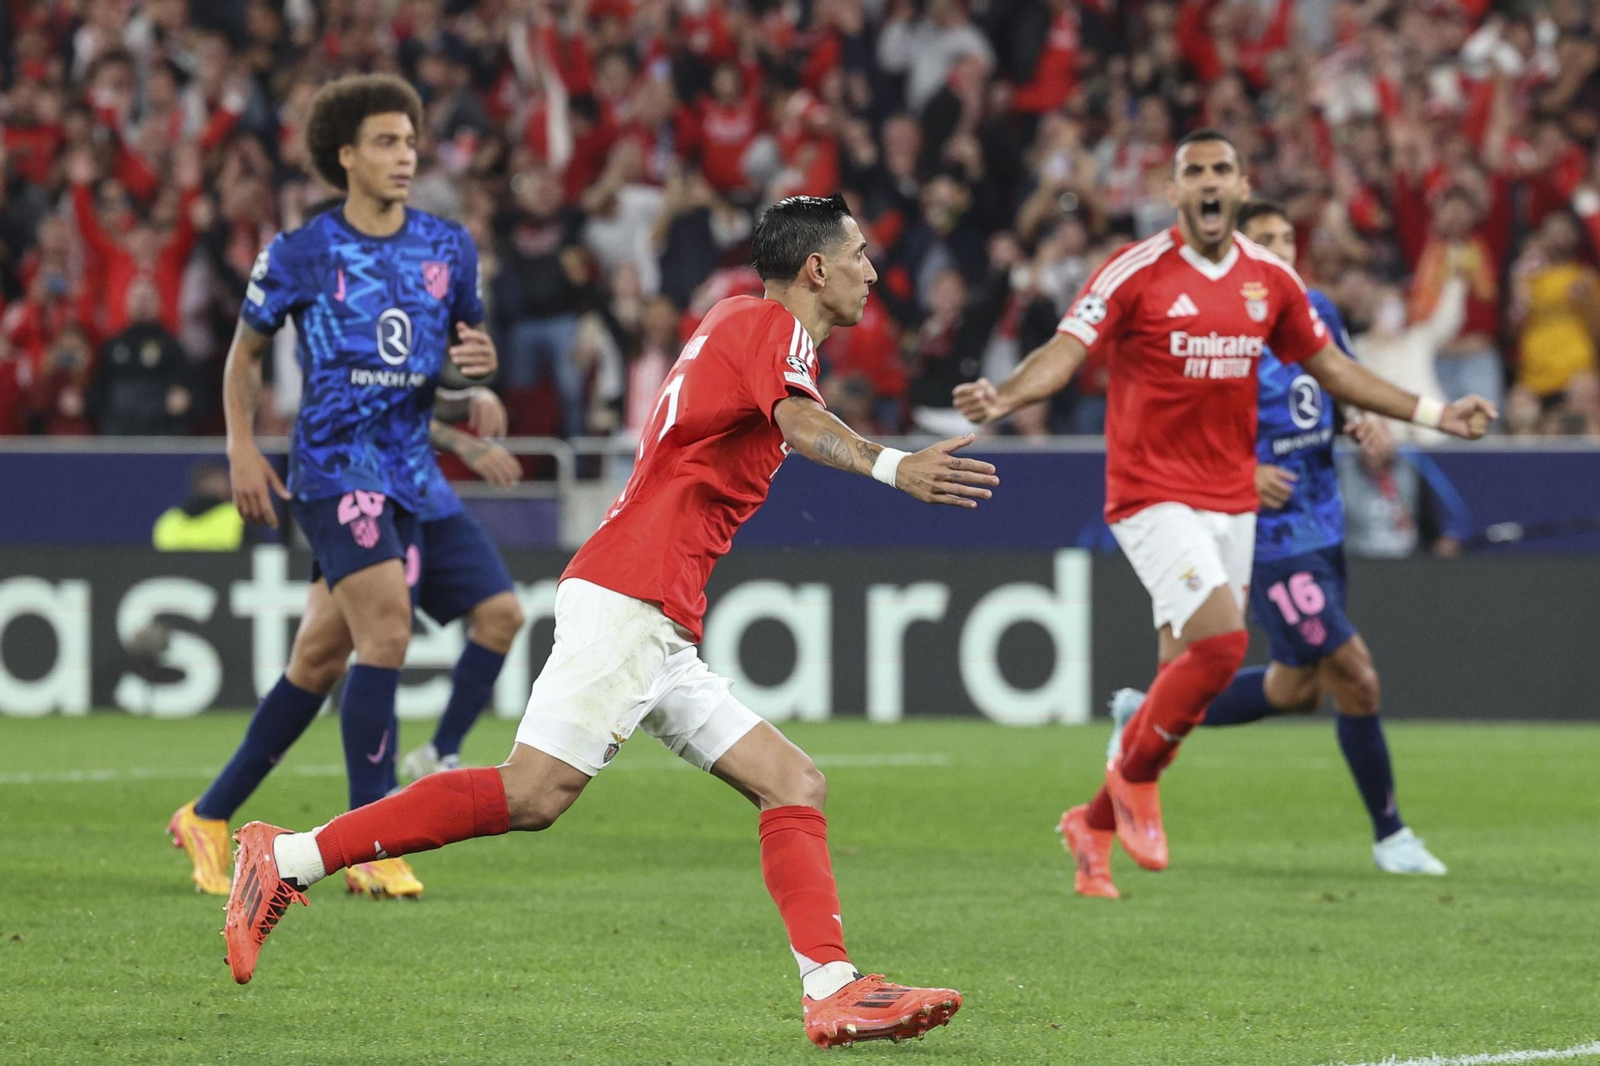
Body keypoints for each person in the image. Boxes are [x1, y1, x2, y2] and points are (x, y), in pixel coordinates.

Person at [221, 193, 994, 1049]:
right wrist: (893, 467)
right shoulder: (772, 328)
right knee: (532, 793)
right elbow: (801, 421)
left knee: (793, 782)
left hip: (654, 609)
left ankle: (833, 990)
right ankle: (288, 858)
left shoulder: (736, 320)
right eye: (859, 255)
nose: (872, 273)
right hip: (634, 596)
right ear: (816, 268)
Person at [953, 129, 1493, 900]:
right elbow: (1068, 350)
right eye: (1194, 171)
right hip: (1151, 492)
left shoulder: (1270, 282)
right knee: (1224, 644)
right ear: (1175, 191)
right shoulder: (1136, 268)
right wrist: (1004, 396)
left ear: (1240, 186)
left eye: (1222, 170)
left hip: (1231, 503)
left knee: (1190, 680)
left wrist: (1435, 414)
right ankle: (1137, 780)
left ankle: (1093, 824)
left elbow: (1334, 370)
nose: (1209, 182)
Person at [206, 75, 505, 898]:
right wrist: (241, 445)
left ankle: (205, 814)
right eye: (384, 142)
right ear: (344, 155)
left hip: (413, 476)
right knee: (388, 632)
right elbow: (245, 355)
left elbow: (451, 362)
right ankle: (370, 841)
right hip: (335, 469)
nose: (404, 156)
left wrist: (477, 378)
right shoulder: (300, 252)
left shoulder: (449, 247)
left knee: (318, 658)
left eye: (409, 141)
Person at [1102, 200, 1449, 881]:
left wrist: (1358, 421)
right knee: (1356, 674)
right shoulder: (1212, 329)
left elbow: (1336, 379)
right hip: (1265, 533)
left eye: (1287, 238)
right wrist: (1242, 472)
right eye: (1265, 239)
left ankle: (1148, 713)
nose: (1280, 250)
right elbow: (1172, 426)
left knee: (1296, 690)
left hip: (1323, 521)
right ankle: (1392, 835)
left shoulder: (1314, 308)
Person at [166, 399, 525, 899]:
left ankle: (437, 754)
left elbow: (419, 383)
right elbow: (371, 388)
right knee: (371, 643)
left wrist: (468, 396)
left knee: (496, 615)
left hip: (423, 496)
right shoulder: (341, 350)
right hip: (359, 489)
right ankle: (371, 844)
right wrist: (458, 428)